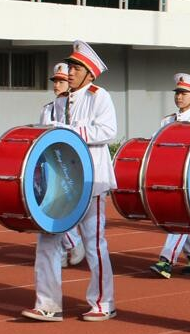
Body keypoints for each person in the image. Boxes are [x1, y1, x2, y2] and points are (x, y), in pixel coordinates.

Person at [23, 40, 118, 322]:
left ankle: (104, 302)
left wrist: (67, 130)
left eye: (77, 67)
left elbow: (107, 131)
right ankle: (48, 303)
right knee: (47, 240)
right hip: (61, 182)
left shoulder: (99, 96)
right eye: (71, 66)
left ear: (90, 72)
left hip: (92, 181)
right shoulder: (57, 103)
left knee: (93, 243)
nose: (71, 71)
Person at [148, 73, 190, 279]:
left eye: (184, 93)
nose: (179, 97)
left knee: (181, 217)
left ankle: (166, 260)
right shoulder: (168, 120)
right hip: (173, 175)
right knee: (184, 218)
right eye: (178, 93)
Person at [38, 62, 86, 269]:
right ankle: (67, 248)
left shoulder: (78, 107)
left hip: (73, 165)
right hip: (52, 164)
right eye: (55, 81)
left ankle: (75, 243)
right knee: (51, 207)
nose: (57, 85)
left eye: (61, 81)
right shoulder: (48, 109)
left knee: (65, 207)